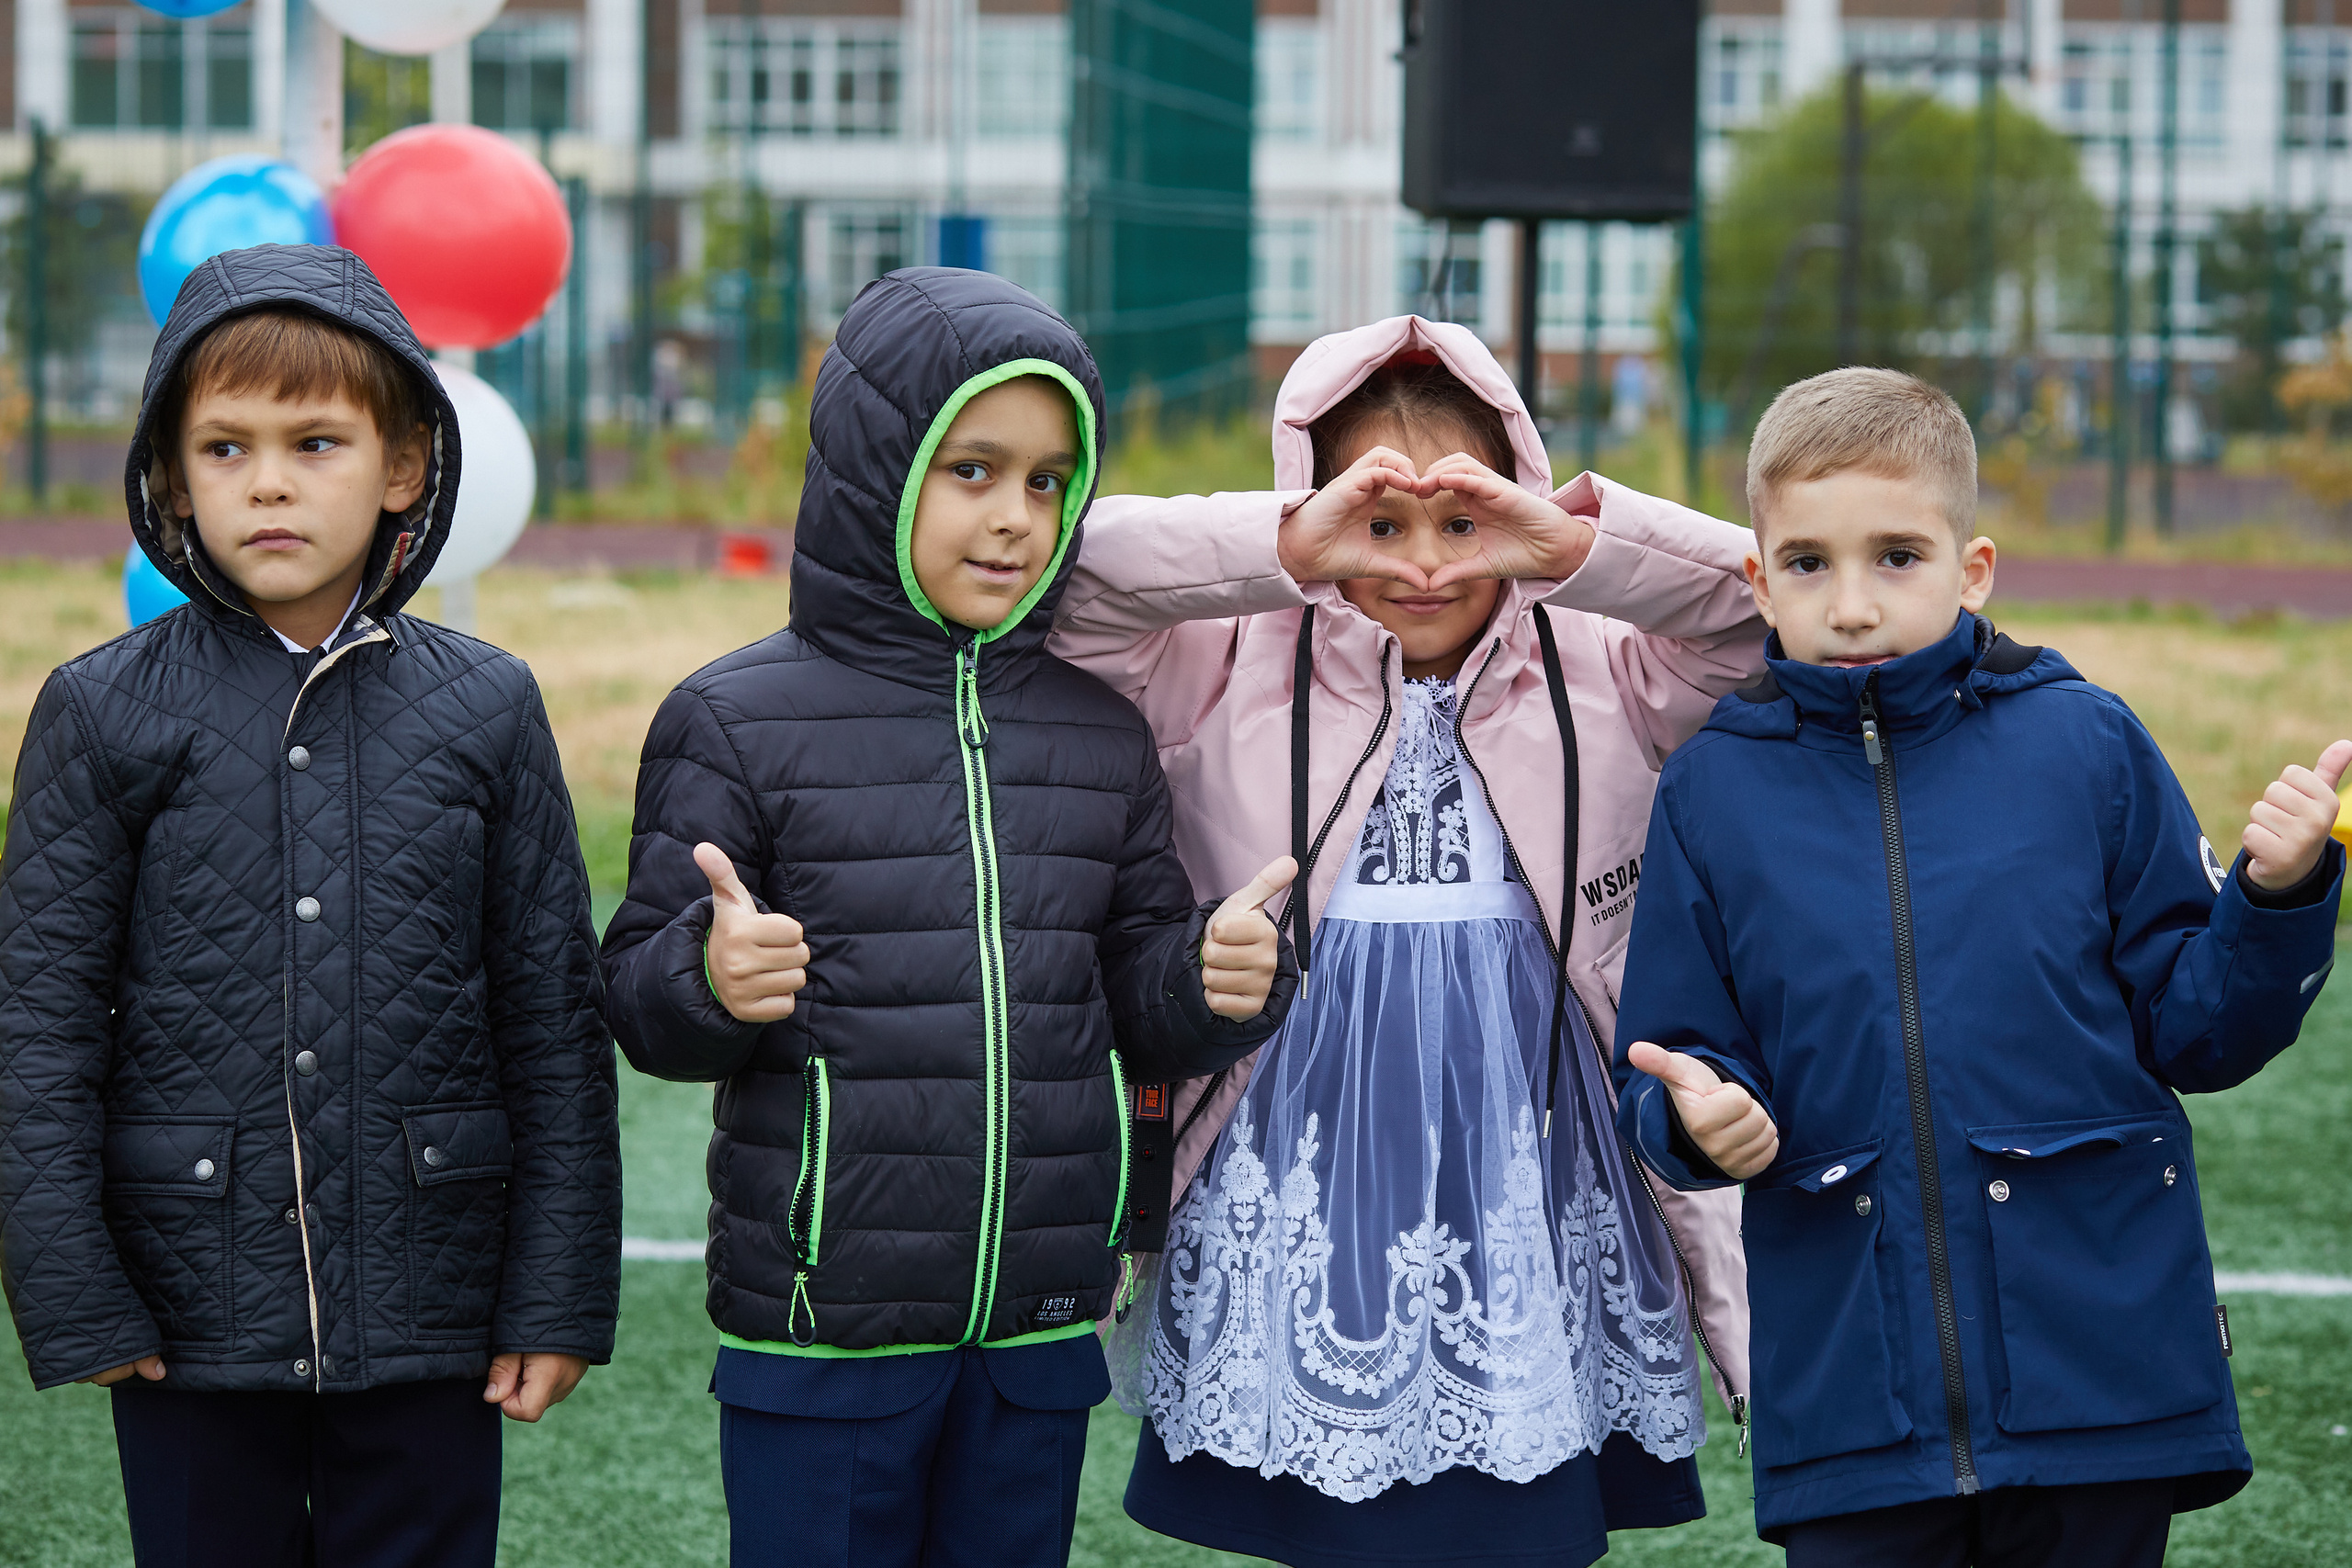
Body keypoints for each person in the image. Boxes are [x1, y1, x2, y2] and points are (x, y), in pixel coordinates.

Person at [598, 266, 1300, 1568]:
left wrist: (1213, 977)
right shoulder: (735, 719)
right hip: (822, 1332)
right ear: (877, 469)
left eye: (1047, 482)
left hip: (1036, 1333)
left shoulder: (1100, 731)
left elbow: (1136, 998)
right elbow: (638, 993)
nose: (1015, 519)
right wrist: (707, 979)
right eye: (972, 470)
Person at [1047, 316, 1763, 1568]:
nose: (1426, 566)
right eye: (1382, 527)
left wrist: (1580, 547)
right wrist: (1281, 546)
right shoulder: (1225, 653)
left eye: (1464, 523)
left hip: (1529, 1161)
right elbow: (1078, 583)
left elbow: (1763, 612)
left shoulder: (1597, 659)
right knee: (1328, 1514)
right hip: (1303, 1157)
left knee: (1521, 1516)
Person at [1612, 367, 2348, 1566]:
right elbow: (1667, 1057)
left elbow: (2202, 1032)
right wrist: (1698, 1120)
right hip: (1855, 1401)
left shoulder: (2088, 742)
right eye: (1808, 563)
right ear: (1758, 582)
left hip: (2098, 1384)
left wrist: (2275, 897)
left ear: (1974, 568)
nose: (1851, 604)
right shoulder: (1711, 789)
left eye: (1896, 555)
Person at [0, 243, 619, 1568]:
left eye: (315, 441)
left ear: (403, 466)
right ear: (169, 476)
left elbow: (552, 1023)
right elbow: (38, 1031)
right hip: (187, 1317)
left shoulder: (487, 706)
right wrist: (75, 1295)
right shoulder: (101, 712)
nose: (269, 480)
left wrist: (556, 1291)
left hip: (431, 1299)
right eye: (224, 447)